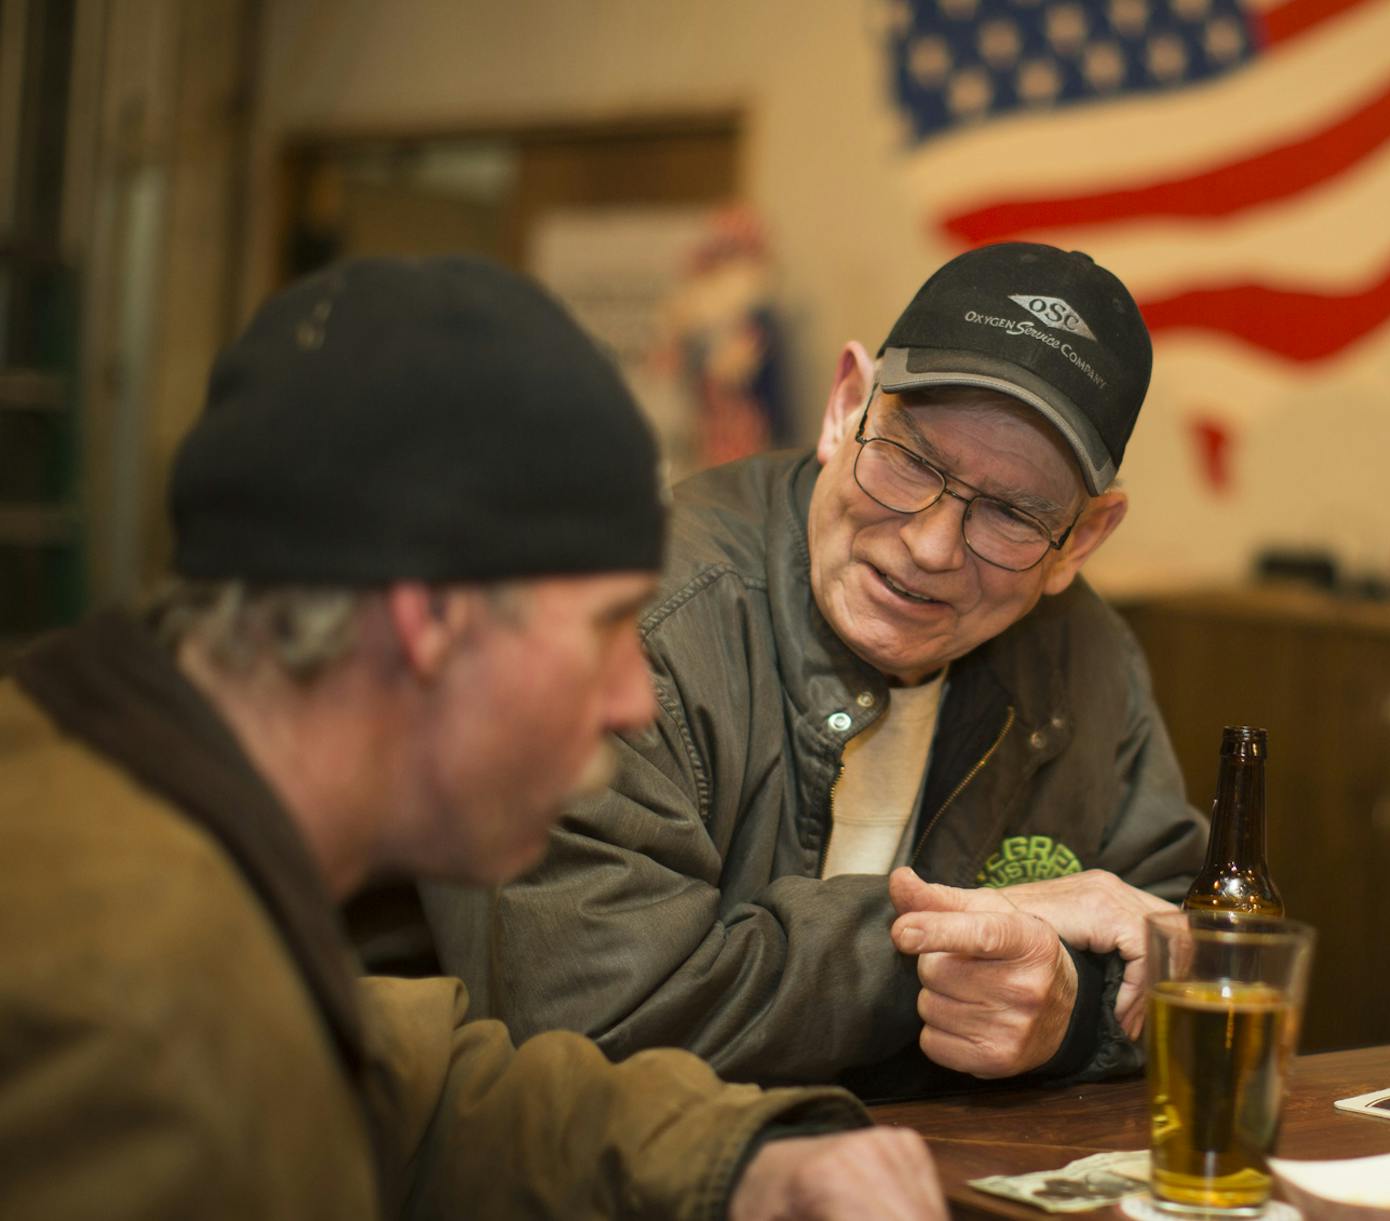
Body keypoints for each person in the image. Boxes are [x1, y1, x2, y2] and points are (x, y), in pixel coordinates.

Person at [0, 256, 946, 1219]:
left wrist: (741, 1161)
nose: (629, 696)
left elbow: (410, 1089)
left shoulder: (158, 834)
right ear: (433, 620)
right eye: (604, 626)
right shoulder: (133, 1014)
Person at [422, 242, 1208, 1100]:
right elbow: (582, 1023)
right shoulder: (629, 625)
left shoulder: (1087, 661)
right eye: (911, 460)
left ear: (1083, 539)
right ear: (844, 407)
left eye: (1015, 513)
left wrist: (1063, 1024)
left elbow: (1187, 964)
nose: (931, 545)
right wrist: (957, 950)